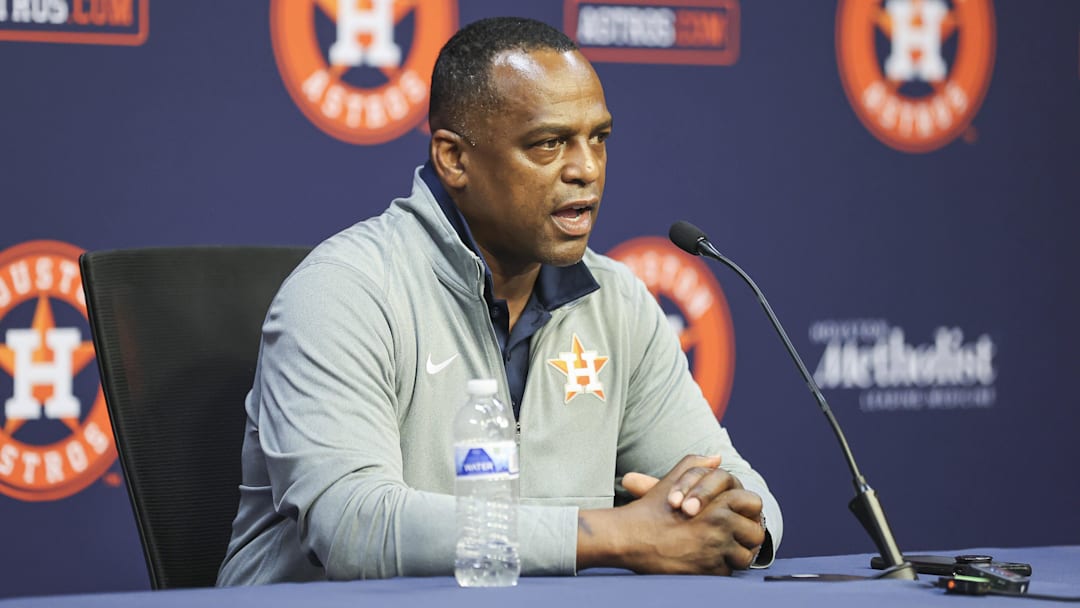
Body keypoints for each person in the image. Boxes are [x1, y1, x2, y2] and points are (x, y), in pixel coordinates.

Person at [217, 16, 781, 585]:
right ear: (453, 159)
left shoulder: (618, 302)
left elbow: (742, 488)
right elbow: (353, 527)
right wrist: (621, 535)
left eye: (599, 138)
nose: (586, 169)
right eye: (549, 143)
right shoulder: (345, 291)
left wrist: (726, 519)